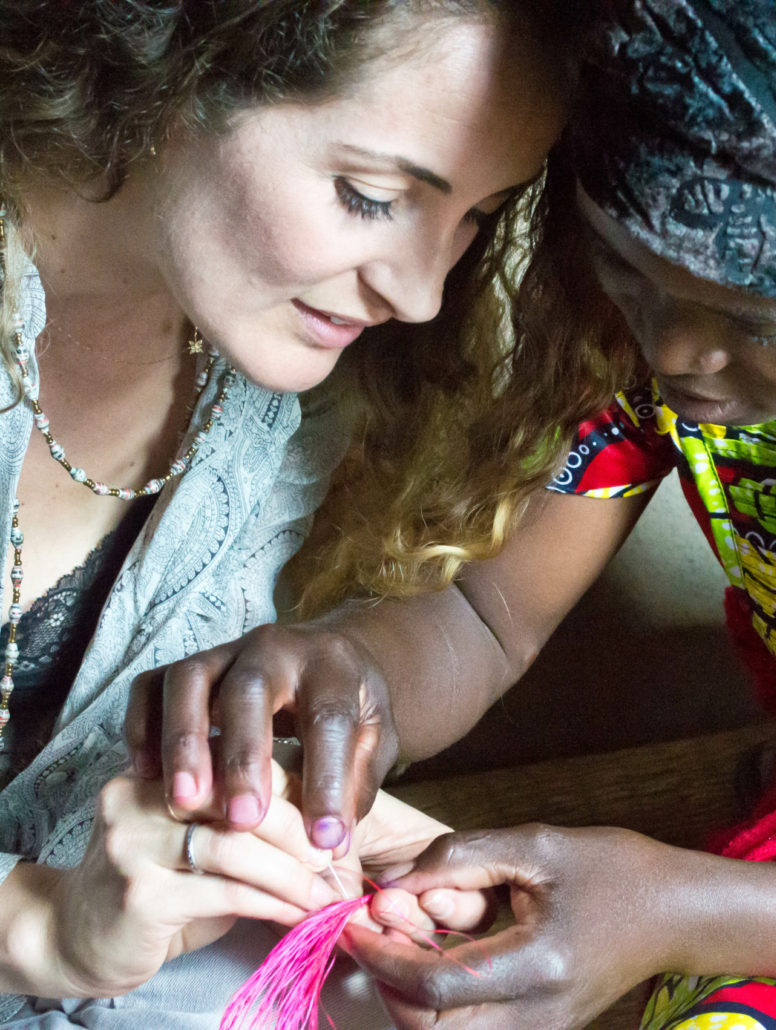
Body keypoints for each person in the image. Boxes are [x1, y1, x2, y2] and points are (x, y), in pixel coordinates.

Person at [136, 0, 776, 1027]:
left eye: (764, 324)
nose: (674, 351)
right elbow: (486, 615)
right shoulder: (651, 312)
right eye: (626, 269)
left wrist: (680, 908)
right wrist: (355, 674)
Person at [0, 0, 576, 1024]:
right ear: (170, 60)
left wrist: (295, 866)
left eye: (478, 217)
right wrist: (39, 926)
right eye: (371, 196)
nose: (421, 293)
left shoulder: (296, 401)